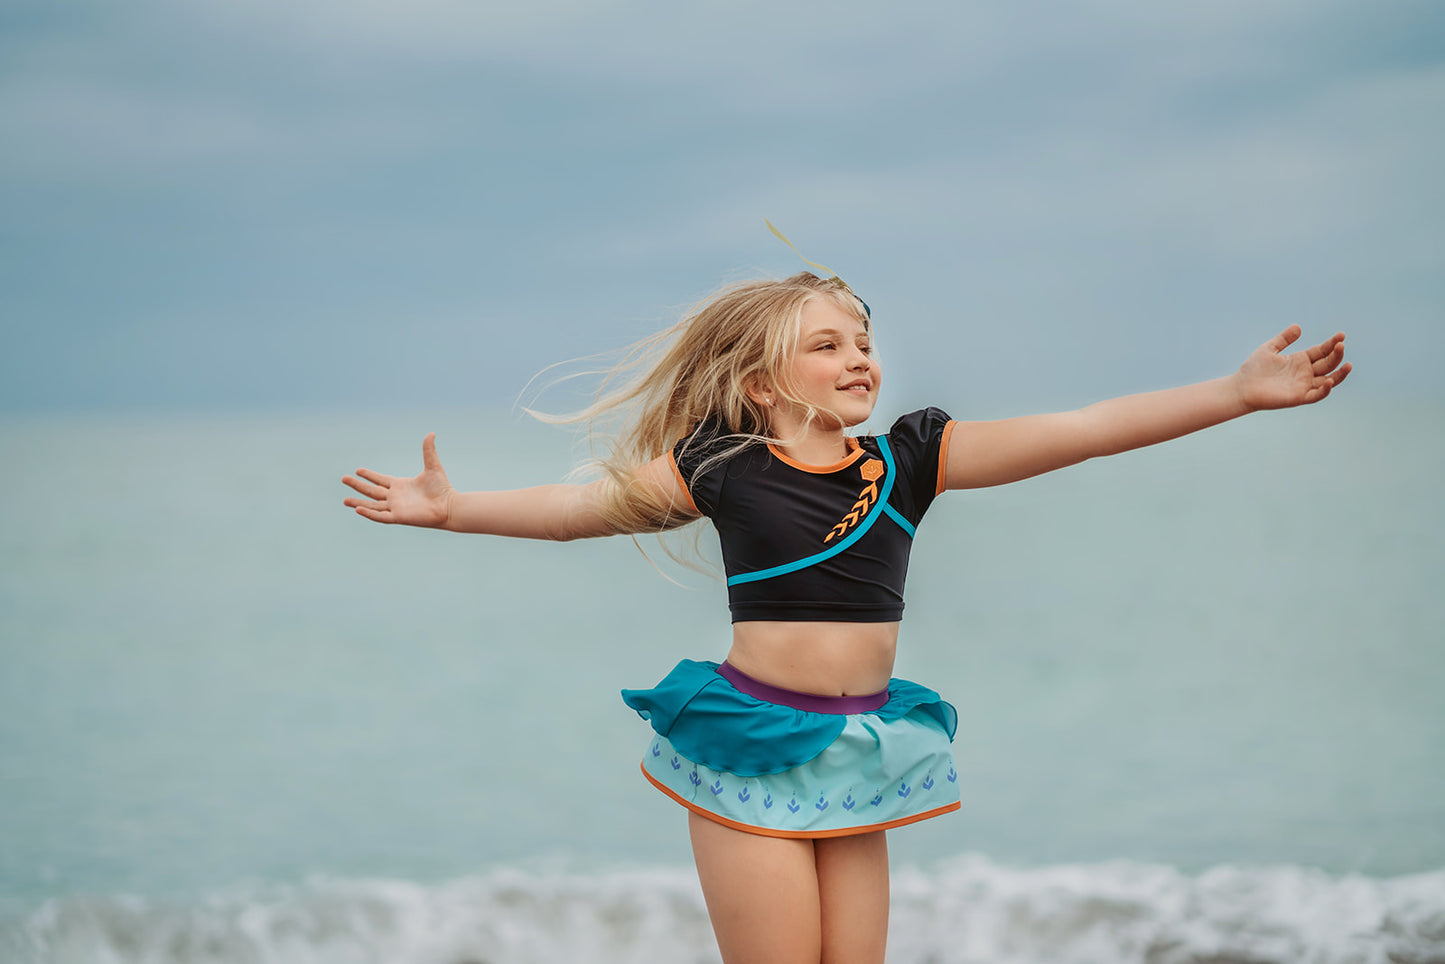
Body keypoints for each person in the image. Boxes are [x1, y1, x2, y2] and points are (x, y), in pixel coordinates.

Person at [341, 268, 1350, 964]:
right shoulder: (722, 467)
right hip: (746, 749)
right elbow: (575, 512)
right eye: (826, 344)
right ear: (760, 382)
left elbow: (1081, 430)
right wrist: (453, 510)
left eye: (863, 341)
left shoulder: (910, 459)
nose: (858, 356)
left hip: (857, 750)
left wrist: (1232, 393)